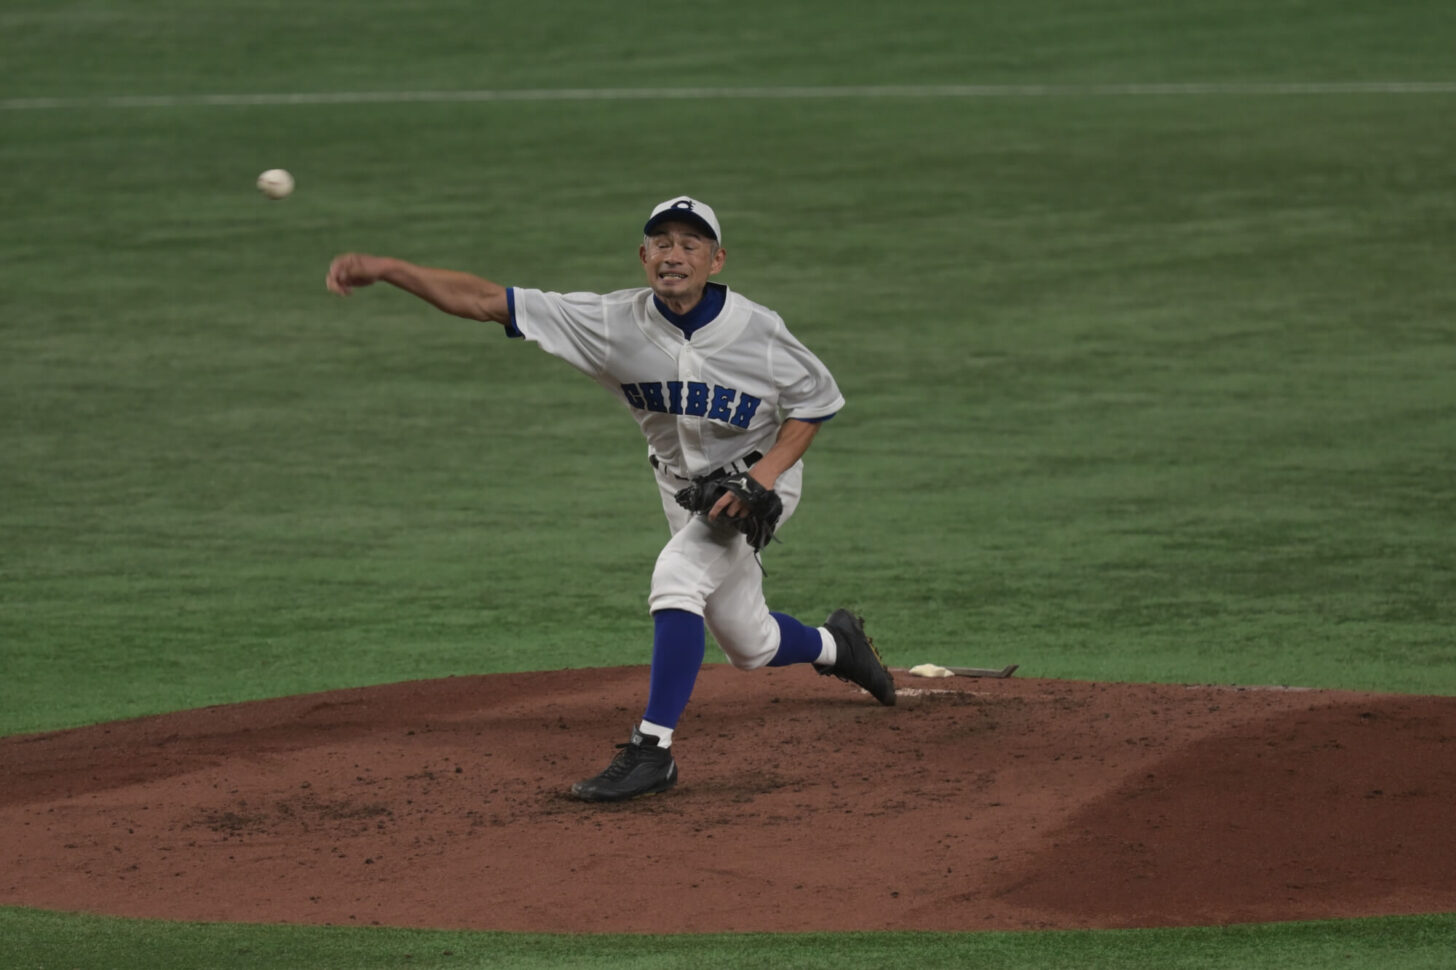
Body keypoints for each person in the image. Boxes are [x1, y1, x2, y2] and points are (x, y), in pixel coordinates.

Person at [325, 196, 896, 802]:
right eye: (663, 243)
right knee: (749, 644)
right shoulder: (608, 322)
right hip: (683, 492)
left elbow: (816, 401)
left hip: (757, 487)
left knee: (676, 578)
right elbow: (487, 301)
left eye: (691, 244)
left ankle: (654, 751)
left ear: (716, 259)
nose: (675, 255)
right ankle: (839, 645)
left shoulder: (758, 330)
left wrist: (766, 477)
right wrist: (390, 269)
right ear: (644, 256)